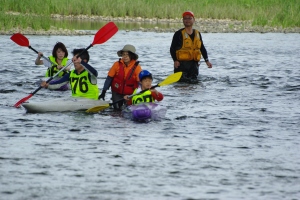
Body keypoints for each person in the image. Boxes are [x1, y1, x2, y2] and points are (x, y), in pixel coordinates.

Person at [170, 10, 213, 84]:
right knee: (182, 84)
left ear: (193, 20)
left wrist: (207, 60)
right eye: (185, 18)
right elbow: (172, 48)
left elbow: (202, 48)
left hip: (194, 66)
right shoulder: (178, 34)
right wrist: (175, 60)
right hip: (181, 65)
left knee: (194, 84)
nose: (187, 20)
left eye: (189, 18)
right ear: (183, 20)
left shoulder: (197, 33)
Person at [98, 44, 142, 109]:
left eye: (127, 55)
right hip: (116, 92)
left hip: (130, 94)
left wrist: (141, 93)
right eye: (123, 54)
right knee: (116, 110)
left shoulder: (137, 67)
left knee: (128, 111)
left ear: (132, 56)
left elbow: (140, 83)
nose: (125, 57)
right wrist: (103, 92)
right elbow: (109, 79)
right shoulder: (116, 64)